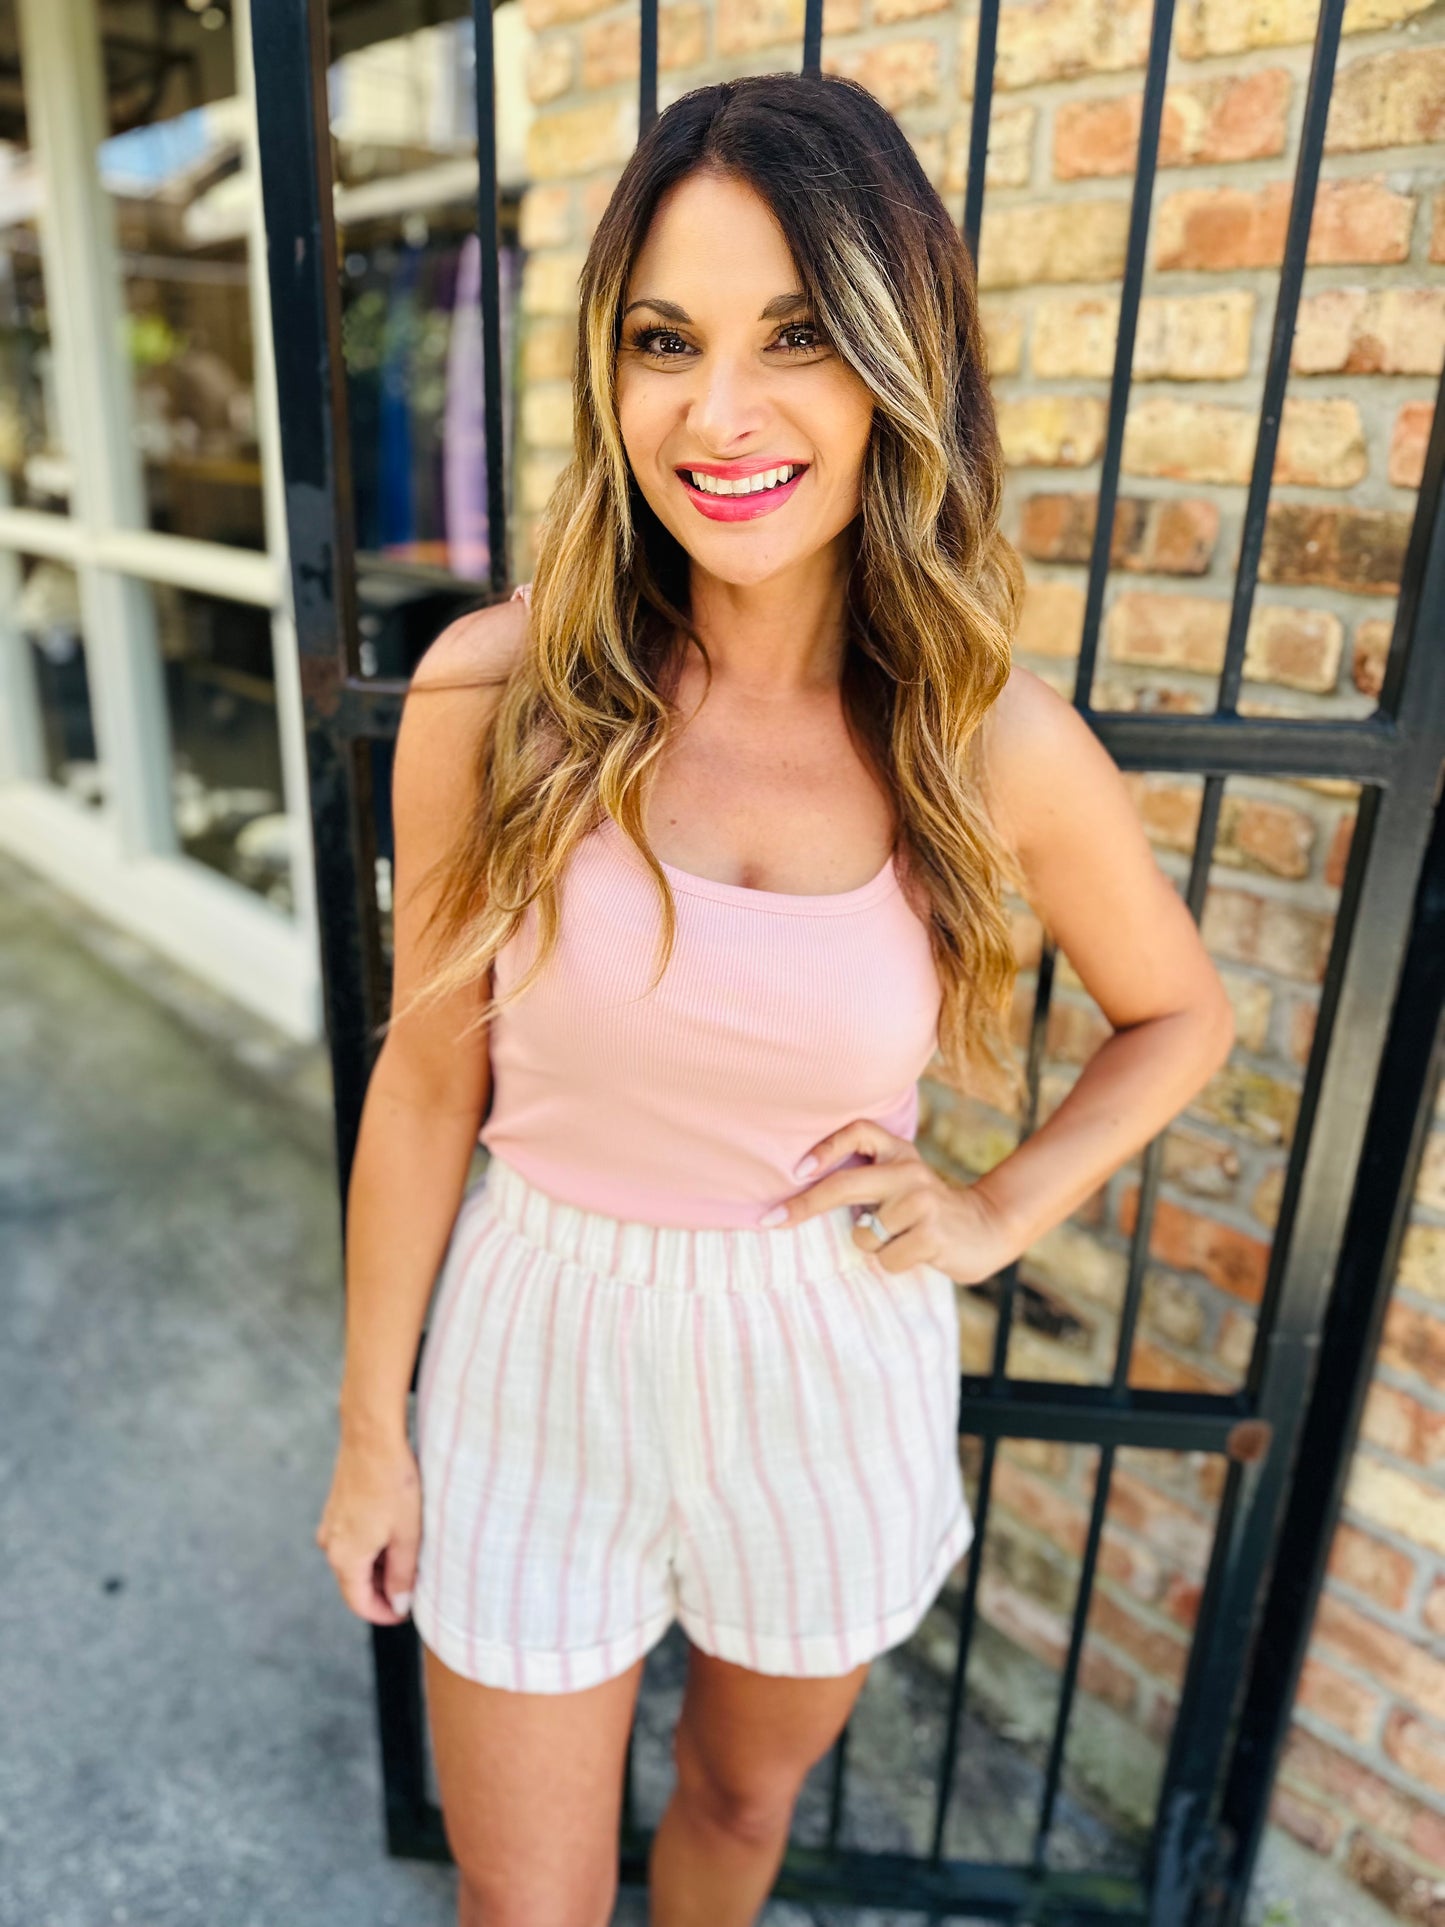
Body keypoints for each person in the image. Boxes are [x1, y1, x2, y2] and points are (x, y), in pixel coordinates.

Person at [314, 70, 1236, 1927]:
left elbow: (1180, 1017)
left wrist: (996, 1210)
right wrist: (369, 1431)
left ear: (899, 360)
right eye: (664, 340)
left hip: (824, 1350)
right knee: (522, 1899)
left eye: (797, 337)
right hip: (536, 1337)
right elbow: (423, 1089)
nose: (717, 413)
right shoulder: (493, 693)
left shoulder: (983, 738)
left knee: (740, 1805)